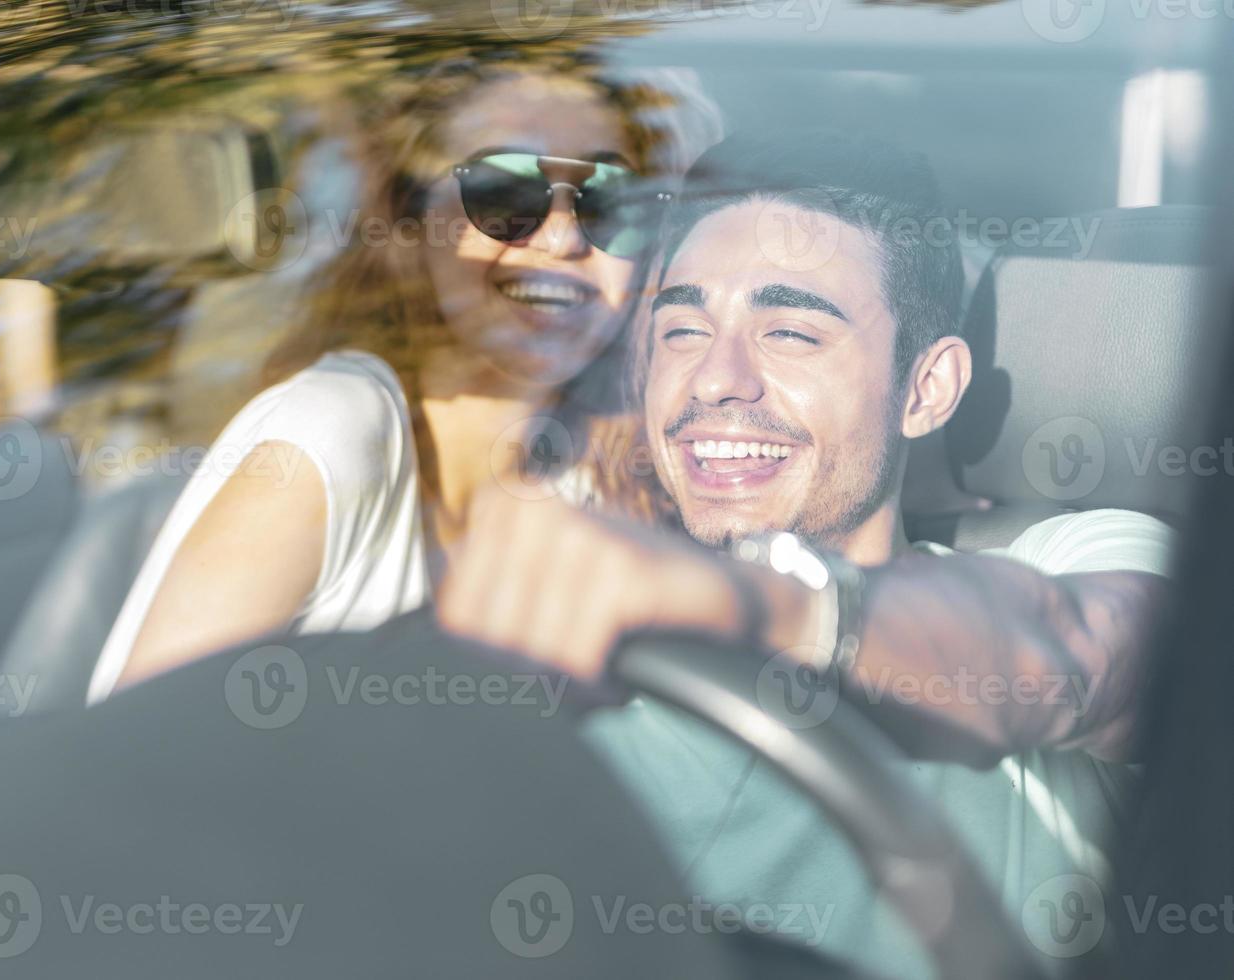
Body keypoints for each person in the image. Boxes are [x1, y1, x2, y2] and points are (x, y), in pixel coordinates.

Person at [436, 130, 1170, 977]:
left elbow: (1083, 648)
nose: (714, 380)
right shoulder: (571, 613)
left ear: (926, 389)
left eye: (789, 333)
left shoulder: (1070, 556)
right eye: (681, 330)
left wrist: (766, 607)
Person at [86, 57, 723, 703]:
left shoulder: (615, 481)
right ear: (406, 229)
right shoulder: (334, 427)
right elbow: (132, 770)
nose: (563, 239)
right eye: (504, 194)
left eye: (610, 201)